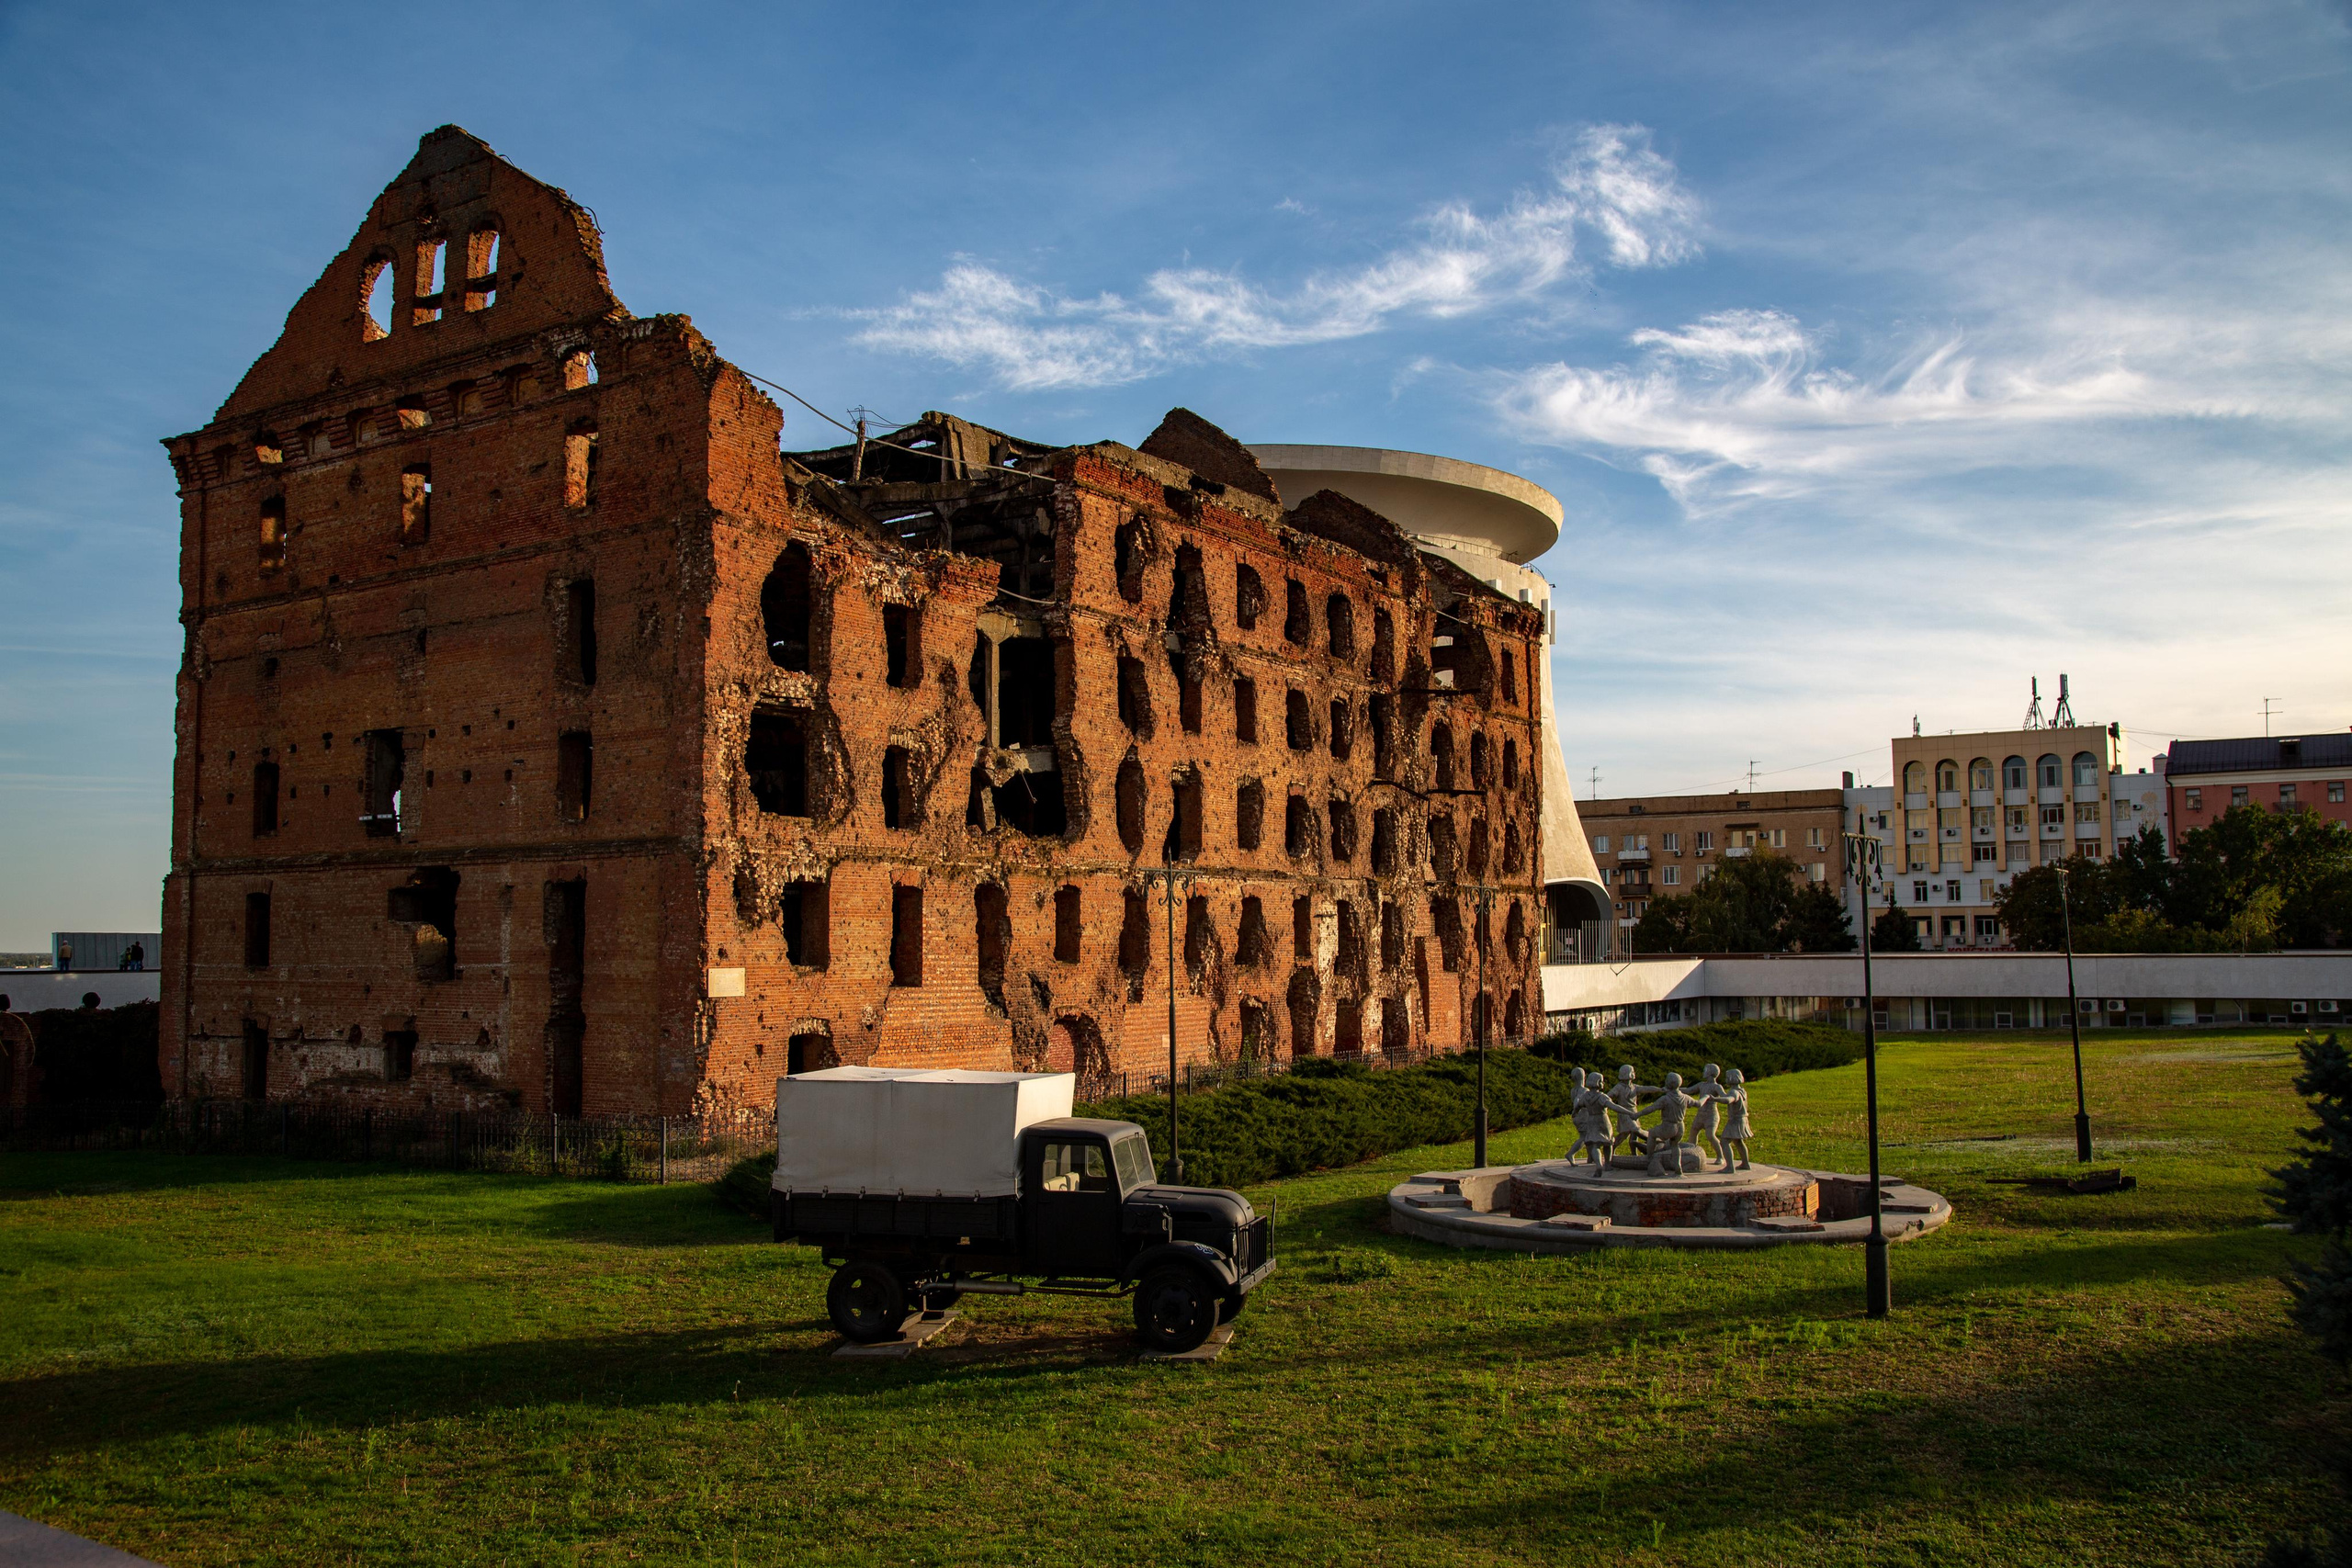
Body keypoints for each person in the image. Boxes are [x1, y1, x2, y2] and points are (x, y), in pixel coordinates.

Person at [1715, 1068, 1754, 1171]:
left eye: (1727, 1077)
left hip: (1735, 1121)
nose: (1726, 1079)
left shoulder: (1734, 1092)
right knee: (1738, 1141)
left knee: (1724, 1141)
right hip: (1742, 1119)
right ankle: (1745, 1163)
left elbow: (1729, 1100)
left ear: (1732, 1078)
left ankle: (1730, 1167)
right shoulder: (1742, 1091)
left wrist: (1715, 1099)